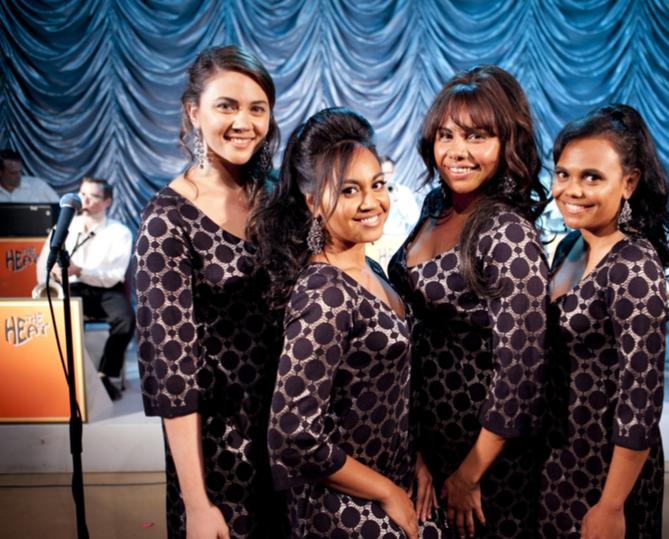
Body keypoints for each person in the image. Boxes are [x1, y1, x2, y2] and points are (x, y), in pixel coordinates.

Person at [258, 108, 441, 538]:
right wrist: (386, 493)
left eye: (377, 185)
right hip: (341, 508)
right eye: (348, 191)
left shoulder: (372, 269)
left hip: (390, 480)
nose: (371, 202)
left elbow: (384, 389)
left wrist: (416, 461)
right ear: (312, 203)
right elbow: (293, 433)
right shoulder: (324, 291)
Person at [388, 65, 549, 538]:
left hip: (485, 459)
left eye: (477, 136)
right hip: (426, 440)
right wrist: (415, 448)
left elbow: (521, 371)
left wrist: (470, 473)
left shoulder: (508, 232)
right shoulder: (435, 205)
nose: (457, 152)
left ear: (507, 143)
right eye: (446, 135)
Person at [134, 45, 285, 538]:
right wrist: (197, 502)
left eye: (256, 108)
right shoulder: (166, 221)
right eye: (227, 105)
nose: (244, 121)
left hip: (296, 436)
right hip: (221, 457)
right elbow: (171, 370)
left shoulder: (278, 196)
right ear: (193, 111)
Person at [542, 104, 669, 538]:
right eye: (563, 174)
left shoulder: (634, 266)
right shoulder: (569, 247)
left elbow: (642, 398)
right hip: (560, 454)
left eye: (591, 177)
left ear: (629, 183)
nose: (571, 190)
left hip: (606, 469)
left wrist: (612, 504)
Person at [36, 176, 134, 400]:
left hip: (106, 290)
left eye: (93, 196)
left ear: (107, 201)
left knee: (126, 320)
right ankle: (68, 378)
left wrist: (79, 270)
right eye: (83, 194)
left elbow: (114, 276)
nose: (85, 200)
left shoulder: (120, 232)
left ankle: (104, 374)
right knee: (62, 322)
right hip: (71, 288)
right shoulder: (63, 228)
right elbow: (43, 262)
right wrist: (48, 282)